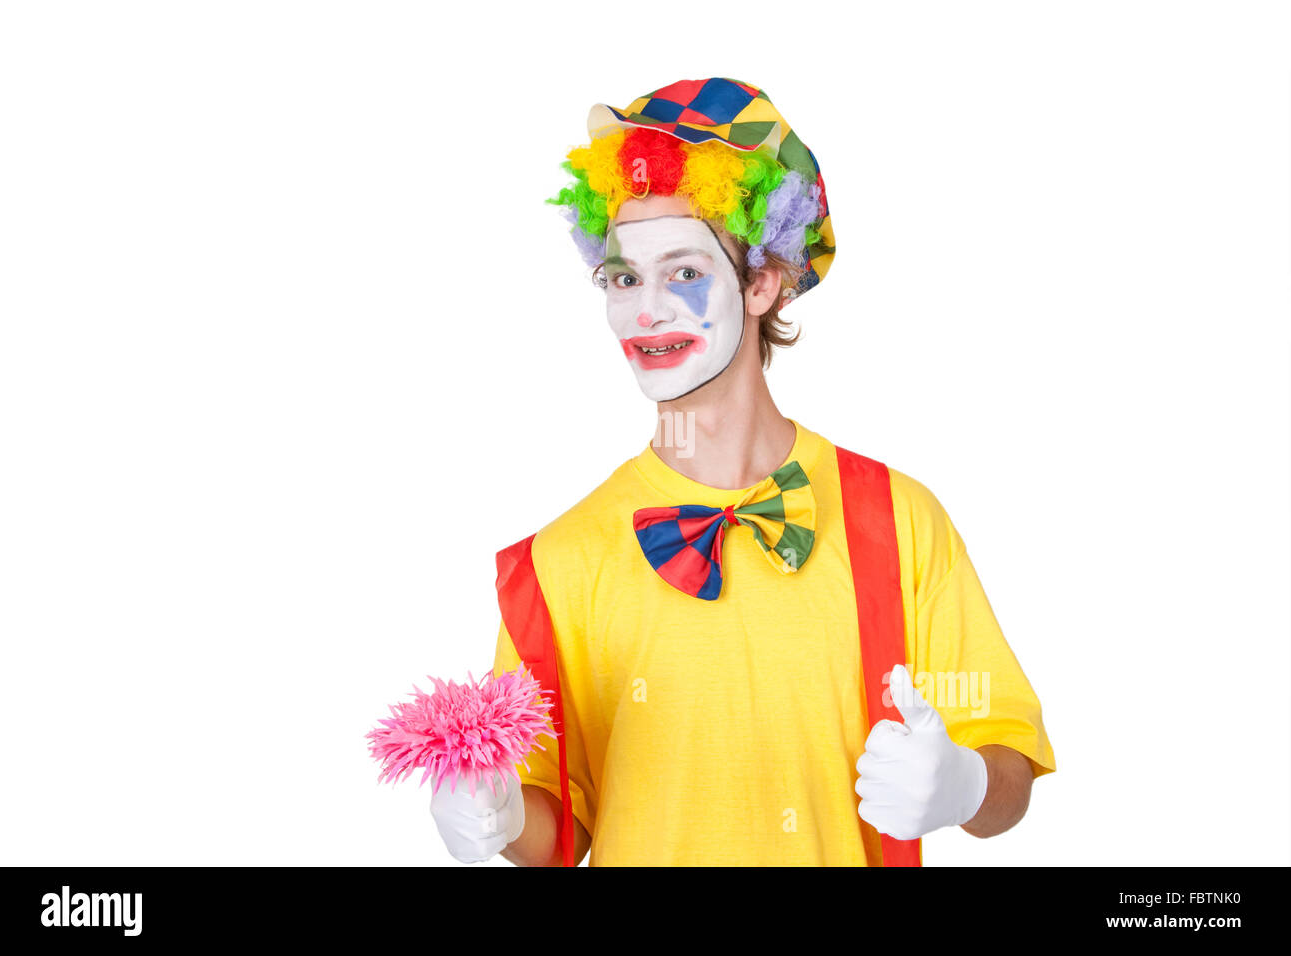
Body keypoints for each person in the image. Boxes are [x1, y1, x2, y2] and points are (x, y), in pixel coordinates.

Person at [428, 78, 1056, 866]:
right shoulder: (560, 560)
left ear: (763, 281)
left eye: (684, 272)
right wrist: (495, 814)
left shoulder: (898, 522)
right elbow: (564, 827)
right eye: (624, 278)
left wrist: (964, 784)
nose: (646, 310)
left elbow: (1007, 763)